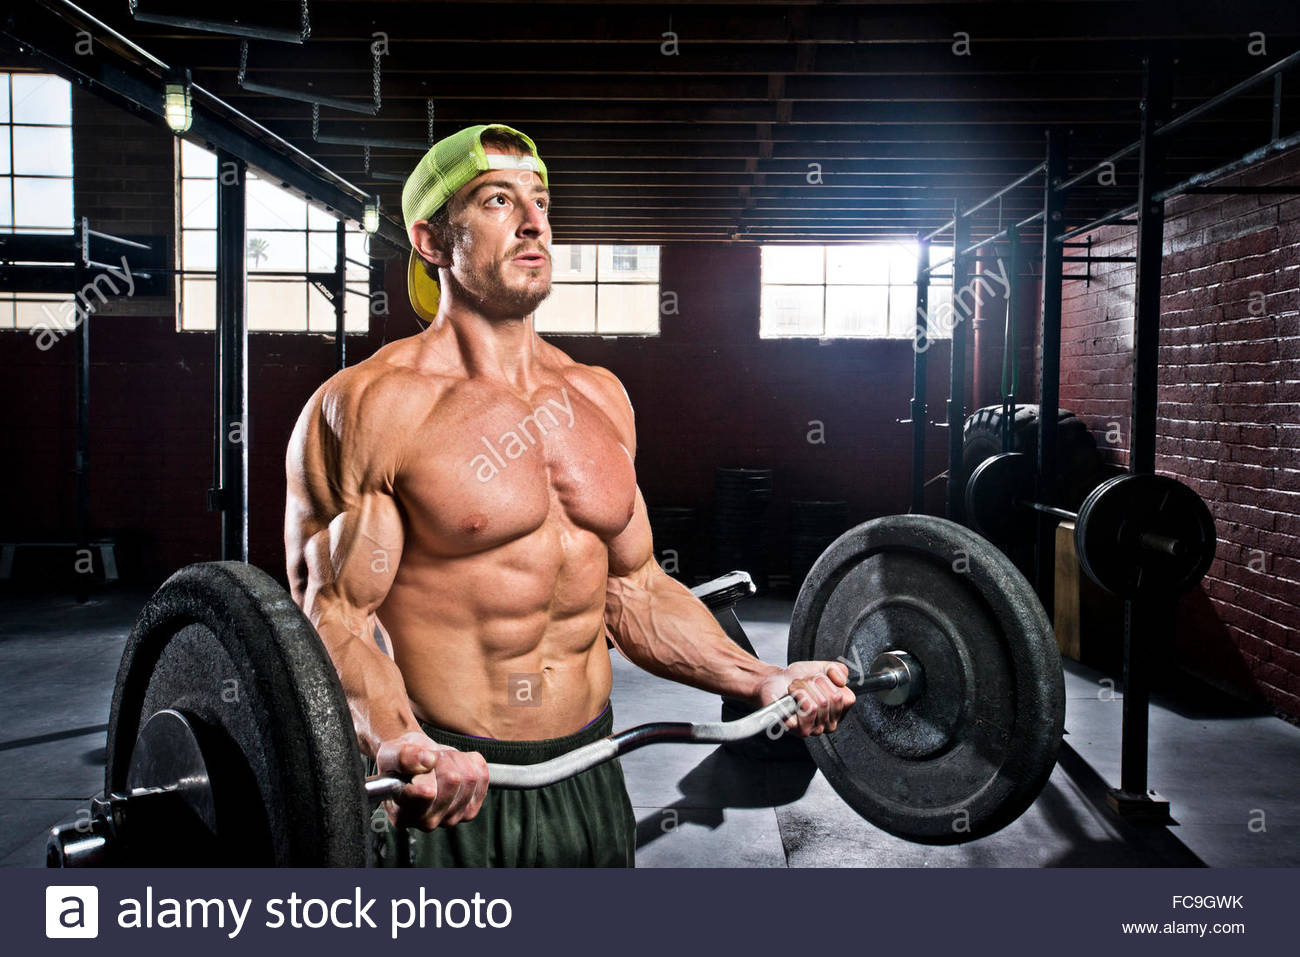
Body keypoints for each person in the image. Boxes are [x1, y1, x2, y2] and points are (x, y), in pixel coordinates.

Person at [284, 124, 855, 867]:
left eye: (541, 201)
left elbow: (637, 591)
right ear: (431, 241)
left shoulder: (598, 397)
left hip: (589, 774)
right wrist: (400, 742)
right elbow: (333, 620)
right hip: (455, 788)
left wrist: (765, 678)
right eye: (498, 201)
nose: (534, 222)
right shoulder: (371, 407)